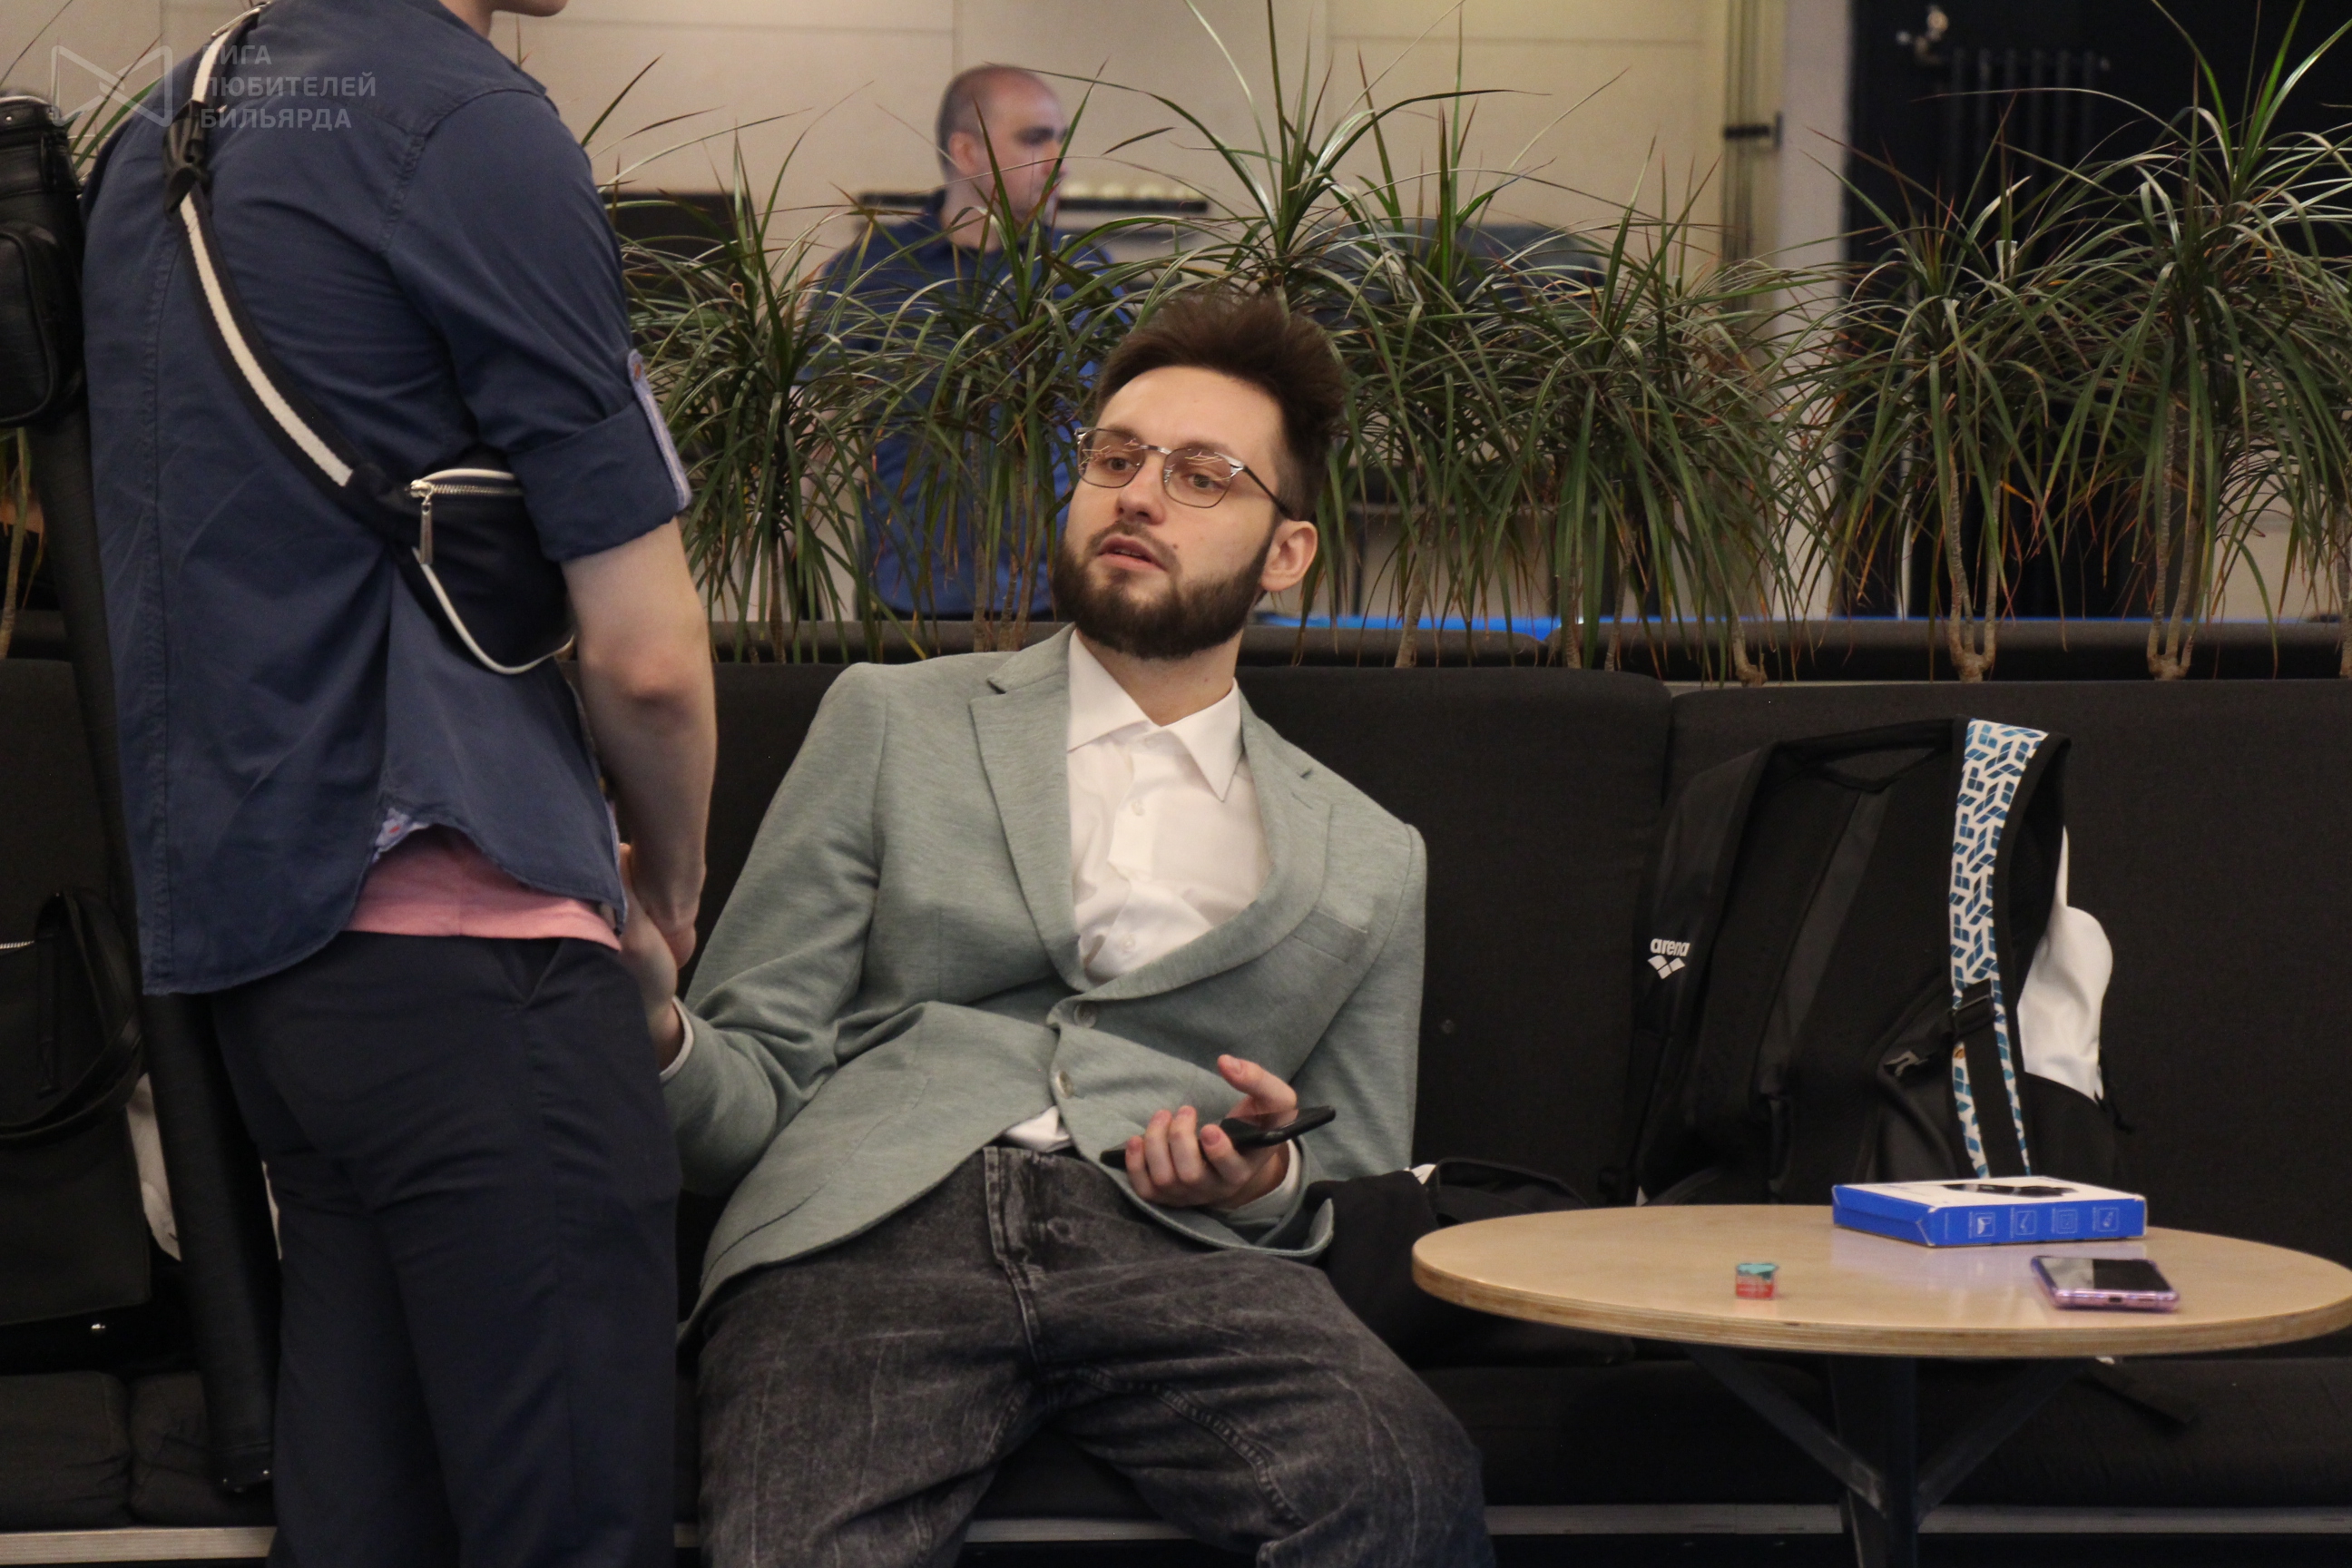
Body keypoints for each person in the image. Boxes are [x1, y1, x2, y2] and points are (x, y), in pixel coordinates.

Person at [625, 289, 1494, 1566]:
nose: (1139, 495)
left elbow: (1354, 1181)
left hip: (1184, 1253)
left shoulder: (1368, 855)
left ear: (1288, 553)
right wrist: (654, 1019)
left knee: (1407, 1487)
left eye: (1202, 476)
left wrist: (1260, 1180)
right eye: (1117, 458)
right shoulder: (893, 722)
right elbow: (745, 1103)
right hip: (869, 1228)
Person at [79, 1, 714, 1564]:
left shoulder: (163, 132)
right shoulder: (471, 124)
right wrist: (669, 884)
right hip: (479, 967)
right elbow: (646, 658)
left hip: (274, 971)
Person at [824, 64, 1109, 619]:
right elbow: (813, 425)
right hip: (912, 601)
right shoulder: (872, 272)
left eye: (1061, 139)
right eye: (1035, 138)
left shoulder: (1084, 270)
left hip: (1057, 598)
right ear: (966, 151)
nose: (1059, 161)